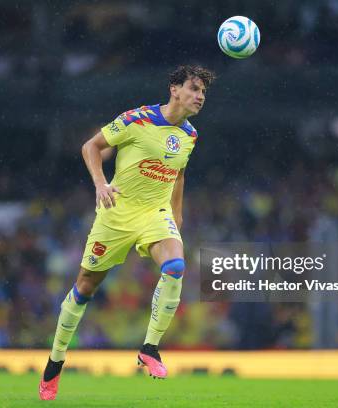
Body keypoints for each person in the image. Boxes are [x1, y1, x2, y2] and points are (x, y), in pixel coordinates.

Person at [39, 65, 215, 400]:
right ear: (174, 89)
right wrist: (100, 183)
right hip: (116, 213)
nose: (200, 97)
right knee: (85, 287)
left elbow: (178, 174)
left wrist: (176, 214)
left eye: (204, 92)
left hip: (154, 214)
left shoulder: (190, 135)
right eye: (194, 88)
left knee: (176, 266)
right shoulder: (137, 119)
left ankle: (150, 348)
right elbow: (91, 147)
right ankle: (55, 363)